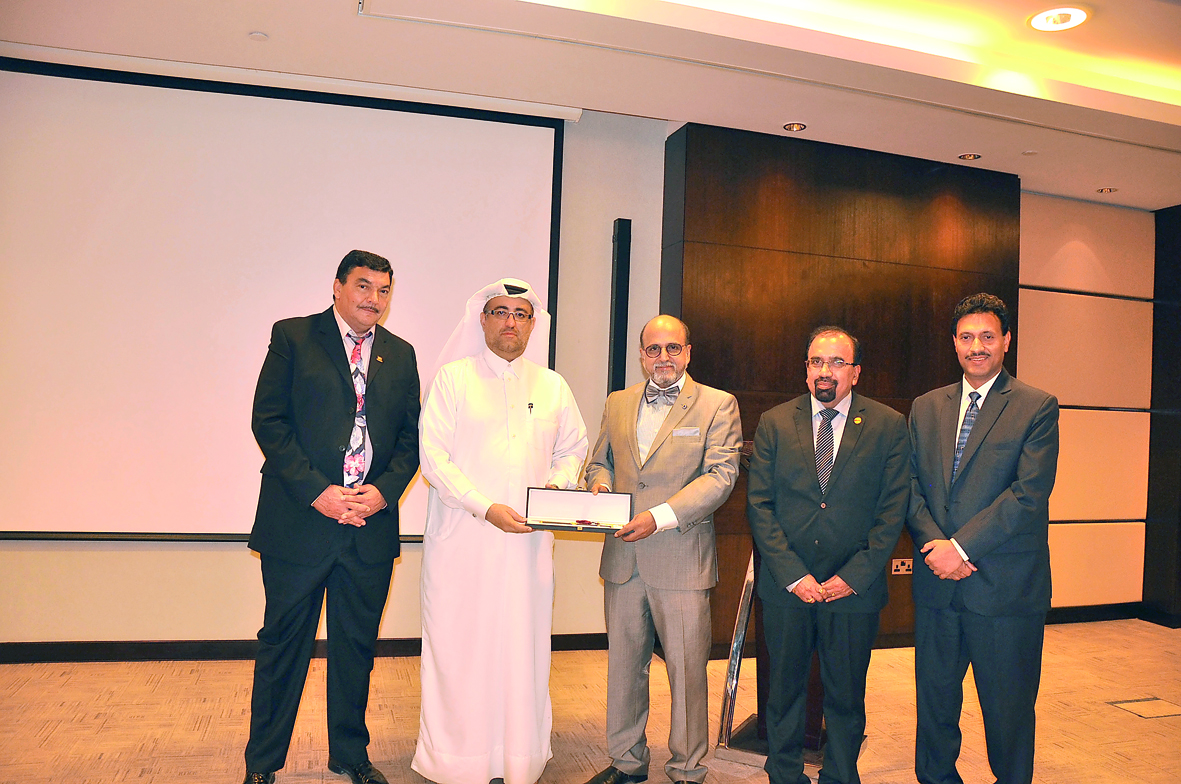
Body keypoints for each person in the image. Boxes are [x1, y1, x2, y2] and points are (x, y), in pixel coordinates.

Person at [243, 250, 421, 784]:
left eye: (384, 290)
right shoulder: (294, 337)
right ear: (338, 287)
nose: (374, 298)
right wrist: (317, 492)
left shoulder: (401, 354)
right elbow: (269, 421)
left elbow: (411, 440)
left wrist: (383, 493)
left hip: (368, 527)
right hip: (300, 523)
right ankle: (262, 764)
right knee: (283, 647)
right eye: (364, 286)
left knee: (356, 650)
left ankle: (349, 754)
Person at [412, 278, 588, 784]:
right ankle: (456, 761)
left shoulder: (552, 385)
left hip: (529, 546)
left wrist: (555, 488)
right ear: (483, 320)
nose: (511, 322)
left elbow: (572, 448)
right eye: (500, 312)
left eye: (521, 314)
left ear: (533, 325)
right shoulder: (453, 379)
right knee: (460, 650)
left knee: (522, 650)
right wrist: (485, 507)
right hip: (463, 543)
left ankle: (518, 758)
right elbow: (434, 459)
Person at [746, 326, 910, 784]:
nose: (826, 371)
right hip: (788, 588)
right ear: (806, 370)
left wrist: (854, 576)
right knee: (784, 693)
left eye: (837, 362)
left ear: (855, 373)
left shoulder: (888, 425)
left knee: (846, 696)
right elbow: (759, 505)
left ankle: (840, 775)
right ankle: (784, 774)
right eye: (817, 361)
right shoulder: (775, 422)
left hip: (853, 591)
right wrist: (793, 574)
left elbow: (892, 510)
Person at [582, 315, 742, 784]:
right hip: (622, 558)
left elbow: (721, 476)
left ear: (688, 352)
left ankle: (687, 768)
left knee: (687, 671)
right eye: (654, 349)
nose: (663, 357)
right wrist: (600, 485)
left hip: (682, 557)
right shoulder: (617, 402)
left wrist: (660, 516)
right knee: (624, 668)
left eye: (673, 348)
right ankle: (626, 761)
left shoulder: (717, 404)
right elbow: (598, 462)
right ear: (641, 355)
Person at [907, 293, 1059, 784]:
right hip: (937, 587)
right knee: (934, 706)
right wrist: (936, 547)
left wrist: (960, 548)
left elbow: (1028, 495)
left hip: (1005, 590)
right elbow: (909, 485)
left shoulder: (1036, 406)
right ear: (954, 343)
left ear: (1006, 341)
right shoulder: (926, 407)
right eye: (967, 337)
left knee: (1008, 711)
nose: (977, 346)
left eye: (988, 336)